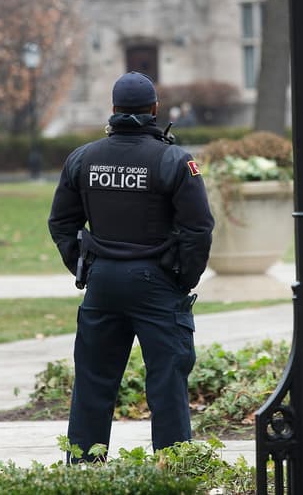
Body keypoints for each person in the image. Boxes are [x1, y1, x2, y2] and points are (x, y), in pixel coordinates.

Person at [48, 71, 214, 459]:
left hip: (102, 283)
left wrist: (84, 265)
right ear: (155, 110)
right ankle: (172, 472)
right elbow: (199, 229)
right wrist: (182, 278)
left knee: (92, 382)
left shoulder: (83, 158)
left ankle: (85, 473)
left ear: (114, 110)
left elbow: (61, 223)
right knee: (166, 384)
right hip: (157, 283)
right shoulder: (174, 160)